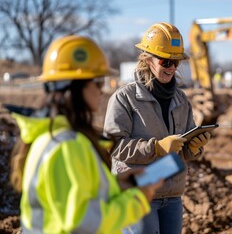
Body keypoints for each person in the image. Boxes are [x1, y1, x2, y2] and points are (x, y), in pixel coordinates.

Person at [9, 35, 163, 233]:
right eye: (98, 83)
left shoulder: (52, 138)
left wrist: (116, 185)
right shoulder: (66, 145)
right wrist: (137, 199)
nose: (102, 90)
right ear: (76, 86)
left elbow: (71, 197)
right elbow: (83, 224)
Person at [103, 22, 211, 234]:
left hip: (172, 194)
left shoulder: (181, 99)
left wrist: (194, 147)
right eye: (165, 61)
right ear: (147, 60)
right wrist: (156, 148)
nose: (171, 67)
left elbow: (183, 150)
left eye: (176, 62)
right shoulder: (124, 98)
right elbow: (114, 146)